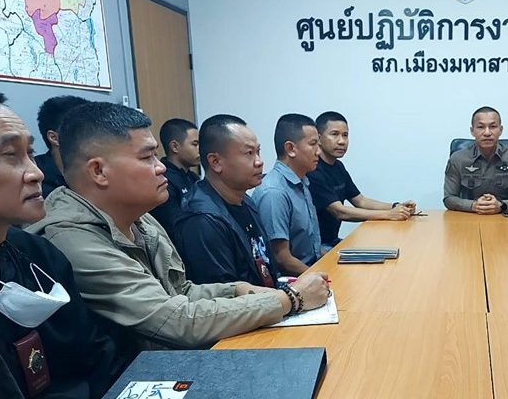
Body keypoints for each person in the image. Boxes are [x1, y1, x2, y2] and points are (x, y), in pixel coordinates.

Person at [28, 102, 330, 350]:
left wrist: (235, 289)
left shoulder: (143, 220)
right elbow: (176, 320)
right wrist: (291, 299)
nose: (161, 166)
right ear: (98, 171)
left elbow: (180, 290)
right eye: (147, 157)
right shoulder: (71, 238)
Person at [0, 84, 128, 399]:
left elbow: (96, 358)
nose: (35, 173)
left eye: (31, 154)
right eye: (9, 156)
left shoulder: (38, 255)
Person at [175, 115, 276, 286]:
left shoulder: (245, 200)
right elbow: (225, 294)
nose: (259, 162)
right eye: (249, 153)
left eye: (258, 152)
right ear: (215, 162)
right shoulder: (202, 220)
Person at [309, 111, 416, 249]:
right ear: (319, 138)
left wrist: (396, 206)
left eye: (345, 135)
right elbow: (340, 212)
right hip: (317, 247)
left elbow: (361, 201)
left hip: (333, 241)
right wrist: (389, 214)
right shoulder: (314, 170)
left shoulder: (338, 166)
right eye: (334, 134)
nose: (341, 141)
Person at [253, 113, 324, 276]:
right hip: (293, 282)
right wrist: (324, 278)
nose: (319, 152)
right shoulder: (274, 193)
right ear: (291, 149)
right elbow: (282, 259)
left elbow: (313, 248)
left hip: (311, 269)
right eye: (313, 144)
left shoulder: (301, 181)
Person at [443, 106, 508, 214]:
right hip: (468, 217)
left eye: (493, 127)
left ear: (501, 130)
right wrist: (473, 206)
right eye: (481, 127)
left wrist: (501, 206)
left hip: (504, 218)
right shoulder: (458, 159)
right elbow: (449, 198)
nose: (487, 133)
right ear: (472, 131)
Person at [149, 118, 201, 235]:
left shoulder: (193, 177)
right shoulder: (163, 180)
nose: (200, 149)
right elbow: (173, 226)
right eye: (195, 144)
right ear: (175, 147)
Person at [34, 95, 88, 197]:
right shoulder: (35, 178)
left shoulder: (99, 170)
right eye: (83, 129)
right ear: (54, 138)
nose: (93, 136)